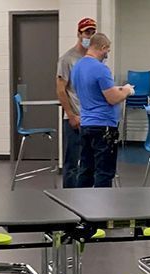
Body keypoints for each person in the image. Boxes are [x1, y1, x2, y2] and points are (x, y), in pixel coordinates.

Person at [70, 31, 137, 188]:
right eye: (107, 50)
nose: (107, 54)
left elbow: (93, 90)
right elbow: (112, 98)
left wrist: (117, 89)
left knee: (86, 169)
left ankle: (81, 201)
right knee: (104, 172)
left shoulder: (77, 67)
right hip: (103, 127)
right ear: (102, 47)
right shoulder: (101, 69)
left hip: (86, 124)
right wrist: (127, 90)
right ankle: (102, 203)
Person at [55, 17, 99, 188]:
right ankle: (68, 198)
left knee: (90, 163)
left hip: (92, 118)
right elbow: (61, 89)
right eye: (87, 32)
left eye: (93, 32)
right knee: (72, 163)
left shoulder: (95, 59)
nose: (90, 35)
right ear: (79, 34)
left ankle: (86, 198)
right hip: (74, 118)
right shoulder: (67, 59)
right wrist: (71, 115)